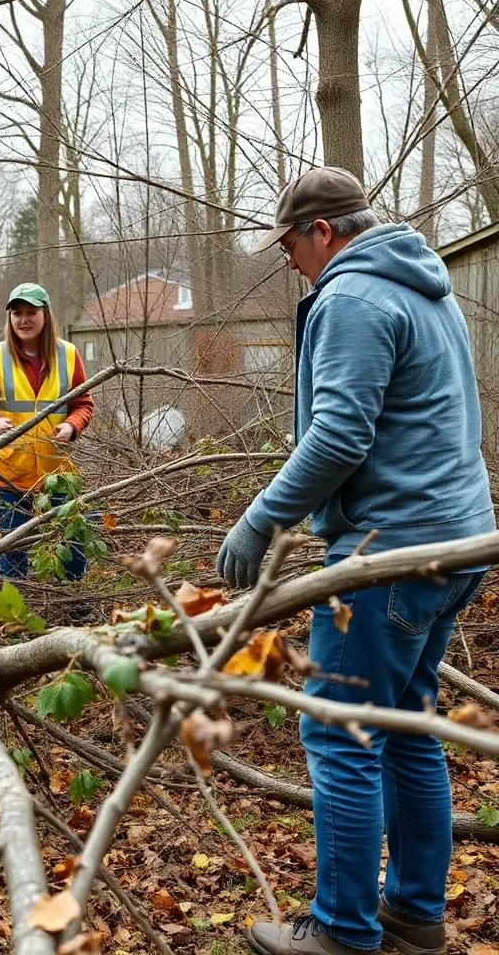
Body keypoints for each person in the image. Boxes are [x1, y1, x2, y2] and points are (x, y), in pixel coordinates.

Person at [216, 167, 494, 955]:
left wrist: (261, 520)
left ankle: (340, 932)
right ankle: (413, 915)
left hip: (392, 553)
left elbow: (340, 436)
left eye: (291, 246)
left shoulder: (351, 297)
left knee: (341, 734)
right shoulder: (427, 289)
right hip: (458, 541)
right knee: (406, 727)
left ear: (324, 232)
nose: (290, 263)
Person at [0, 282, 94, 588]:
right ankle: (17, 616)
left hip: (58, 472)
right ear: (10, 319)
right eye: (18, 314)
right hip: (9, 473)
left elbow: (83, 404)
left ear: (45, 315)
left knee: (73, 542)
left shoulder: (68, 354)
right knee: (13, 550)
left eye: (31, 313)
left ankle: (77, 603)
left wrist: (72, 426)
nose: (24, 320)